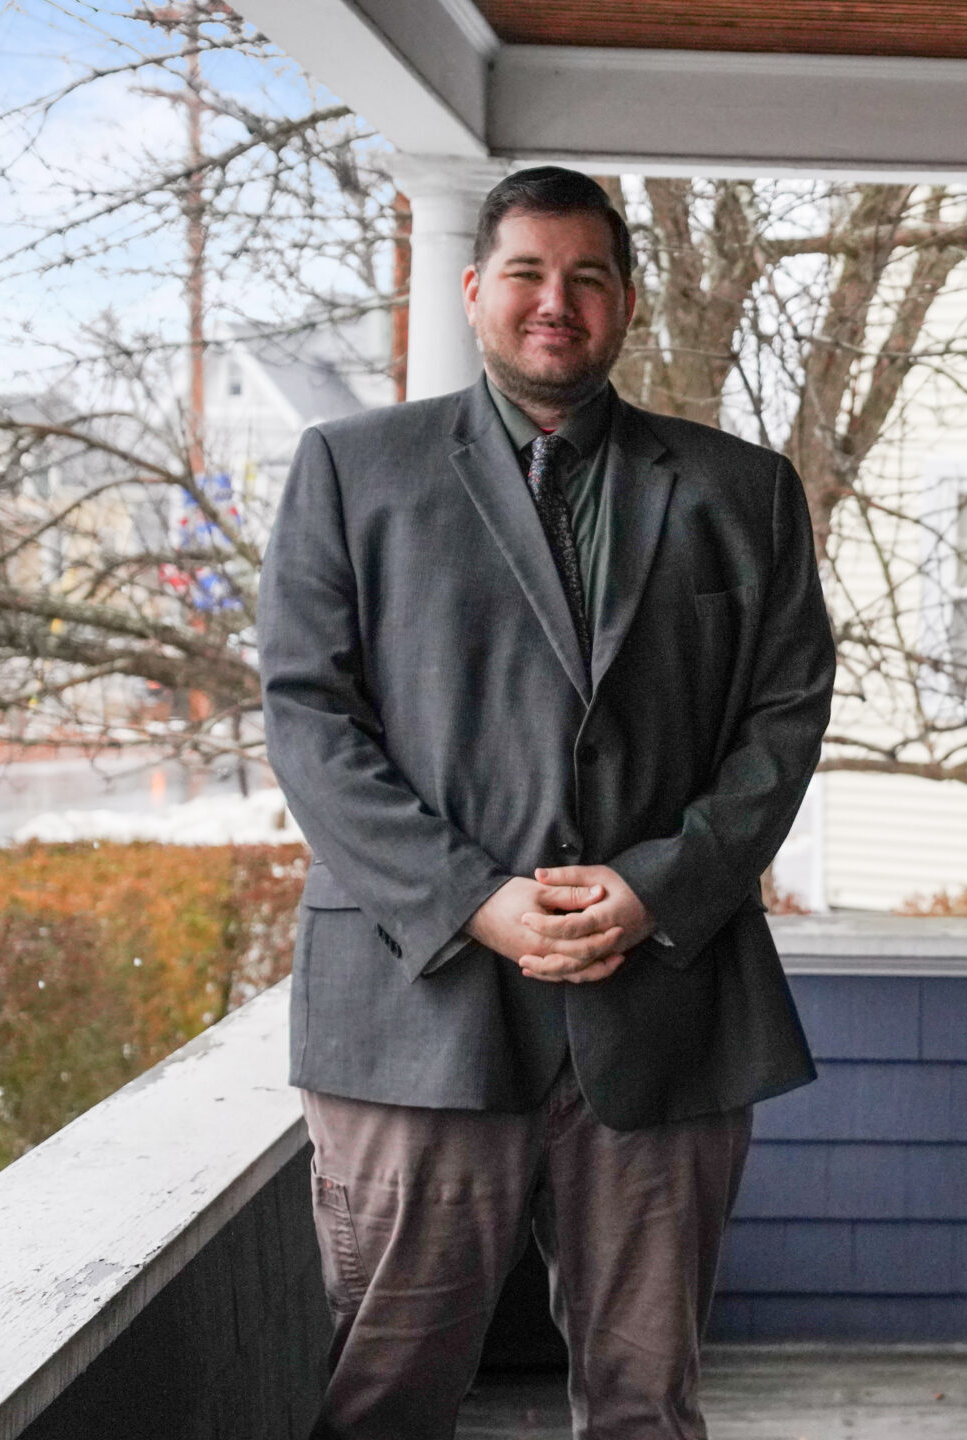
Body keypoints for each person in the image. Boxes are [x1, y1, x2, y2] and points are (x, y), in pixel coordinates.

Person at [259, 165, 835, 1440]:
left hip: (666, 1004)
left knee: (647, 1402)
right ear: (473, 291)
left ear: (626, 303)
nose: (554, 303)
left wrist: (658, 885)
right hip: (420, 1010)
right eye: (526, 273)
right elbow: (307, 718)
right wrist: (473, 900)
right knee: (385, 1398)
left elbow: (784, 720)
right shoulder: (354, 472)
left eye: (586, 278)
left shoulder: (743, 493)